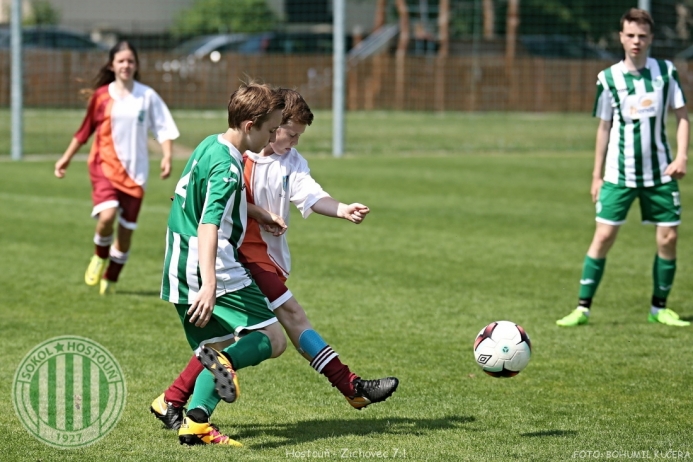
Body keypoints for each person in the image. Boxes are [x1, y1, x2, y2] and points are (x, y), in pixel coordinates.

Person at [151, 89, 399, 431]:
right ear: (270, 125)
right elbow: (210, 209)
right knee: (286, 324)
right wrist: (254, 218)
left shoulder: (270, 156)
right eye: (288, 132)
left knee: (222, 340)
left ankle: (173, 400)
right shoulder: (237, 158)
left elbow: (310, 193)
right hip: (238, 259)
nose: (292, 141)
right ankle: (350, 385)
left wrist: (340, 209)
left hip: (244, 257)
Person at [161, 82, 289, 446]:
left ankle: (196, 422)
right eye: (270, 129)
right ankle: (221, 375)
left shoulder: (209, 144)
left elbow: (191, 201)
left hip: (178, 259)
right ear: (250, 125)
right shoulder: (229, 168)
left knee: (214, 345)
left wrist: (254, 212)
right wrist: (210, 284)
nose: (273, 136)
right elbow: (208, 223)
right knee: (272, 338)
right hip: (210, 263)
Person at [556, 8, 690, 328]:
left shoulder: (666, 73)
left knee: (668, 238)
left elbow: (682, 116)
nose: (636, 42)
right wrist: (596, 175)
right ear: (621, 37)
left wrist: (682, 156)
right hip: (619, 174)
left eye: (642, 36)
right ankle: (582, 308)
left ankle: (659, 308)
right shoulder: (608, 78)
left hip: (661, 173)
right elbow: (603, 128)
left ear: (651, 39)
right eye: (630, 35)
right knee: (603, 236)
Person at [54, 41, 180, 295]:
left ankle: (110, 277)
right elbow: (84, 131)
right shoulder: (101, 96)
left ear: (136, 65)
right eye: (121, 61)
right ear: (112, 65)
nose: (126, 65)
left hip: (136, 174)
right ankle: (99, 256)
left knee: (125, 234)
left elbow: (163, 129)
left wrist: (166, 156)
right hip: (104, 166)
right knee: (107, 216)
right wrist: (65, 158)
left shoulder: (147, 96)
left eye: (130, 61)